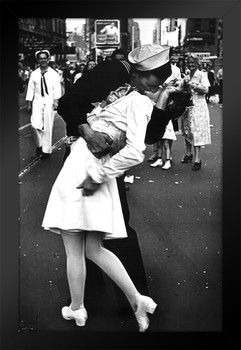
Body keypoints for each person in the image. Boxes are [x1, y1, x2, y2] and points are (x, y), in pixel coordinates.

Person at [42, 44, 175, 332]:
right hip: (87, 156)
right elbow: (68, 103)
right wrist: (87, 132)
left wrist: (163, 105)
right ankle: (101, 299)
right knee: (94, 234)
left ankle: (101, 302)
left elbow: (147, 137)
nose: (155, 86)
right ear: (138, 71)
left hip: (104, 165)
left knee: (102, 232)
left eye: (161, 81)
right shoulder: (112, 71)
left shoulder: (149, 93)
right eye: (153, 79)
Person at [26, 50, 62, 158]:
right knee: (34, 125)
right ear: (38, 60)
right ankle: (39, 145)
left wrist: (56, 102)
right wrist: (29, 103)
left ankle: (46, 150)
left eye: (44, 58)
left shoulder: (54, 74)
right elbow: (30, 89)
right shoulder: (34, 74)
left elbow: (57, 89)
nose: (43, 60)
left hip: (49, 101)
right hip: (37, 100)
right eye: (40, 58)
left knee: (48, 125)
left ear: (48, 59)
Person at [148, 55, 182, 167]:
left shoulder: (176, 71)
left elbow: (179, 87)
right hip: (157, 99)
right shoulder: (156, 71)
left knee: (167, 135)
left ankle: (168, 157)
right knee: (155, 129)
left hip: (169, 102)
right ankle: (157, 155)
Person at [180, 53, 211, 171]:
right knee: (187, 130)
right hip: (187, 105)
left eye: (192, 62)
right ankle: (189, 154)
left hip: (198, 106)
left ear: (197, 63)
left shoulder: (202, 74)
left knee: (196, 131)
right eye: (189, 62)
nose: (190, 65)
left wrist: (193, 85)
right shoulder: (187, 74)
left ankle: (197, 159)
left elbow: (206, 89)